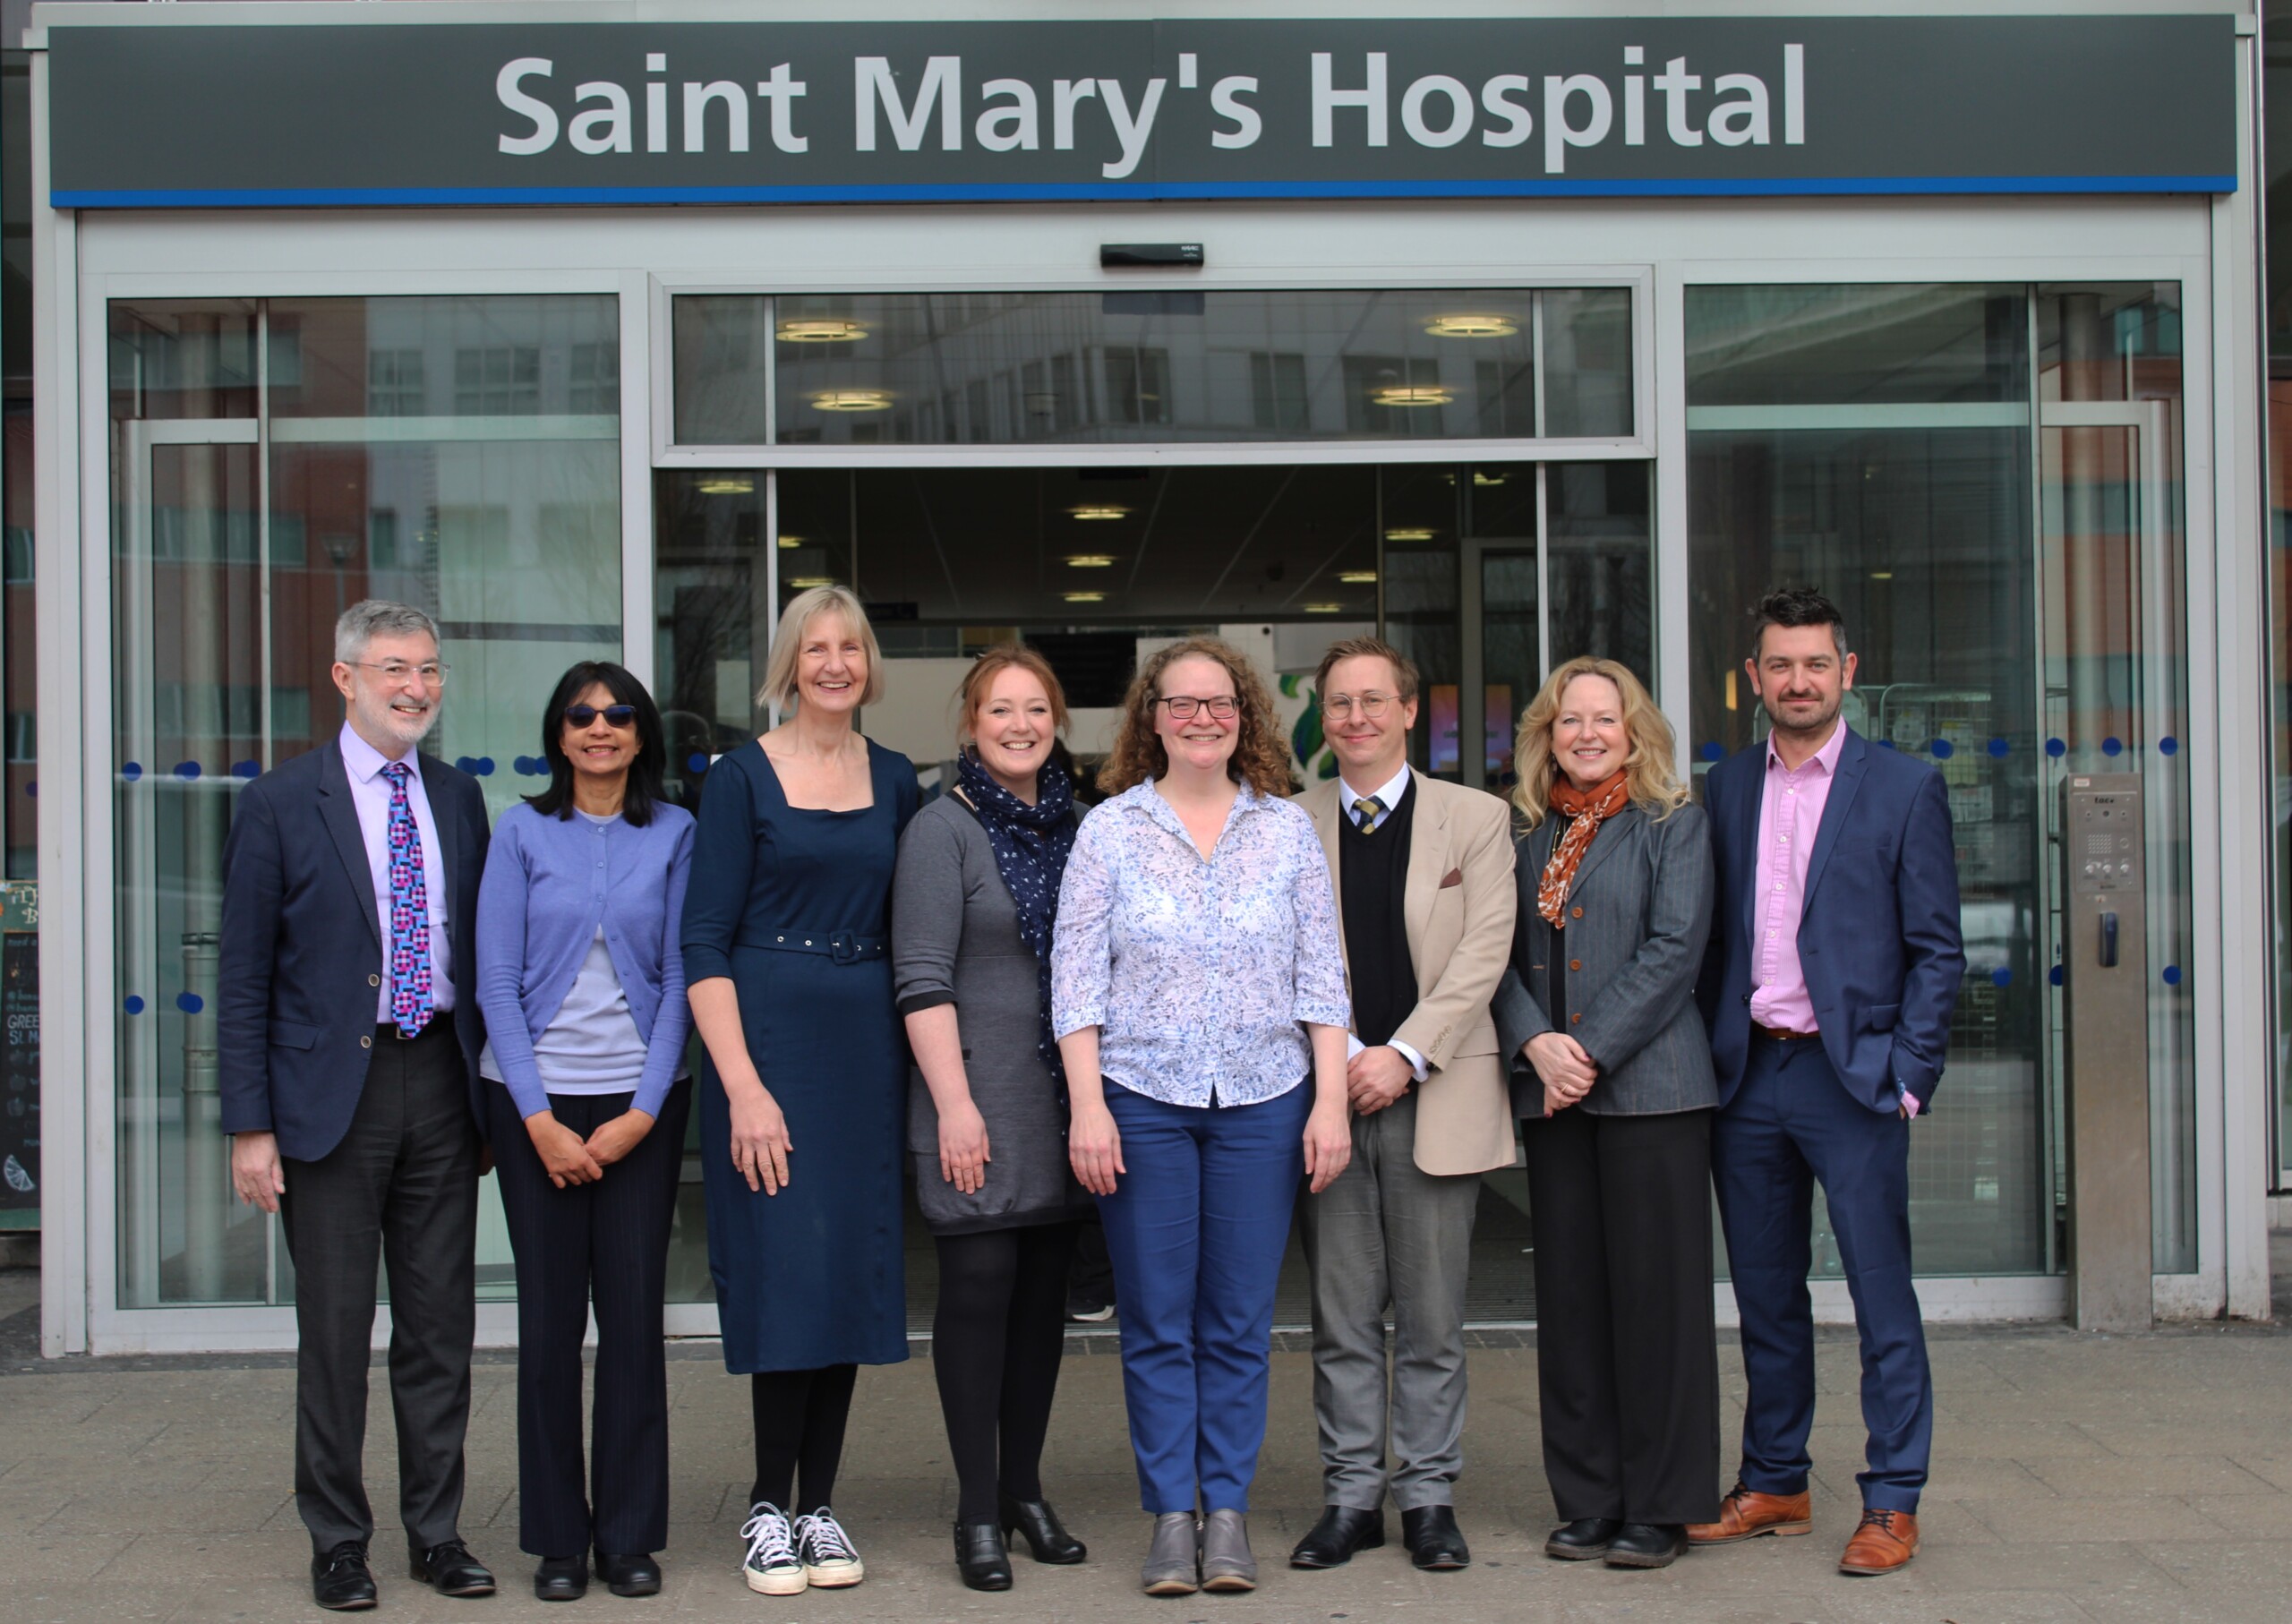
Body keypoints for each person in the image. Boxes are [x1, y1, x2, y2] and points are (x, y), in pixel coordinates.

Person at [1050, 636, 1354, 1599]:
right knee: (1154, 1319)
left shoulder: (1286, 830)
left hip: (1264, 1100)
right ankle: (1168, 1517)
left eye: (1217, 702)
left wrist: (1330, 1102)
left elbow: (1322, 975)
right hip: (1141, 1100)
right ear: (1150, 717)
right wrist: (1087, 1104)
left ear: (1244, 714)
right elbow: (1074, 981)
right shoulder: (1109, 830)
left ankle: (1226, 1510)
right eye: (1178, 703)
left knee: (1236, 1319)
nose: (1199, 717)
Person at [218, 600, 496, 1611]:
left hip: (439, 1080)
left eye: (429, 669)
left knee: (439, 1328)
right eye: (393, 668)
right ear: (345, 677)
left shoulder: (460, 799)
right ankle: (338, 1538)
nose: (415, 686)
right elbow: (246, 973)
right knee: (334, 1333)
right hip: (330, 1096)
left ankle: (437, 1532)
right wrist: (251, 1124)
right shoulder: (282, 802)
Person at [1690, 588, 1964, 1577]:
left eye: (1815, 663)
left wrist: (1908, 1074)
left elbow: (1938, 948)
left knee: (1880, 1296)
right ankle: (1775, 1479)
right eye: (1779, 664)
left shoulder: (1902, 786)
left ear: (1846, 671)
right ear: (1752, 678)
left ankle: (1891, 1498)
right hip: (1749, 1073)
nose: (1797, 680)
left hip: (1852, 1082)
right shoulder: (1721, 788)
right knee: (1764, 1296)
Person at [681, 585, 919, 1598]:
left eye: (849, 647)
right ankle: (764, 1507)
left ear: (867, 663)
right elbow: (702, 941)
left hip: (865, 1046)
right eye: (813, 648)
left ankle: (819, 1503)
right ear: (789, 663)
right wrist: (743, 1087)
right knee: (786, 1270)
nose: (832, 663)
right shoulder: (739, 777)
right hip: (767, 1045)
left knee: (852, 1272)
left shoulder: (899, 778)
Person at [1287, 637, 1517, 1576]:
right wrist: (1342, 1062)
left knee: (1430, 1317)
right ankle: (1350, 1495)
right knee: (1341, 1316)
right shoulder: (1286, 822)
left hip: (1434, 1089)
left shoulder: (1475, 817)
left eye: (1374, 700)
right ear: (1323, 718)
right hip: (1328, 1100)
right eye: (1339, 703)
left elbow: (1484, 950)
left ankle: (1427, 1494)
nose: (1356, 718)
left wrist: (1405, 1054)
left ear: (1410, 709)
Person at [1492, 656, 1721, 1571]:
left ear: (1636, 732)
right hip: (1553, 1094)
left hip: (1651, 1090)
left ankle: (1661, 1503)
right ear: (1545, 733)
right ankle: (1587, 1496)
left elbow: (1675, 948)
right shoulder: (1519, 830)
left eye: (1605, 718)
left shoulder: (1673, 822)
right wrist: (1532, 1041)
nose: (1587, 733)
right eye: (1569, 719)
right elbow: (1489, 951)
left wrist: (1584, 1050)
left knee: (1657, 1305)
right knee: (1574, 1301)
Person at [474, 662, 694, 1603]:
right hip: (534, 1106)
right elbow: (493, 979)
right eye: (580, 714)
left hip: (642, 1099)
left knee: (635, 1321)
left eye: (616, 715)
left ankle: (630, 1534)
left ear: (641, 733)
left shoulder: (679, 831)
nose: (598, 727)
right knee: (551, 1323)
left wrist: (641, 1112)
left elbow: (687, 975)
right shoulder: (520, 828)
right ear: (557, 733)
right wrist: (538, 1119)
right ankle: (559, 1538)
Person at [893, 645, 1095, 1592]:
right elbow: (921, 977)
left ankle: (1024, 1490)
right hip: (972, 1098)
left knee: (1040, 1310)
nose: (1020, 724)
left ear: (1056, 719)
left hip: (1063, 1101)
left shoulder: (1082, 828)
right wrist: (955, 1106)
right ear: (970, 724)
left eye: (1036, 708)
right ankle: (975, 1506)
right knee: (976, 1296)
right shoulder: (944, 828)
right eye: (999, 709)